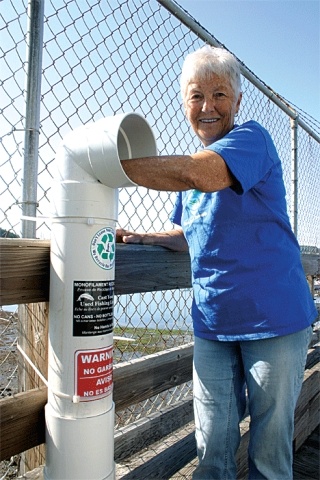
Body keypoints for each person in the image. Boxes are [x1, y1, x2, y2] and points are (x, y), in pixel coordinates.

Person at [116, 45, 317, 479]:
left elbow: (202, 174)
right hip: (213, 322)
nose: (207, 106)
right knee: (211, 446)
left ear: (238, 101)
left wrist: (107, 163)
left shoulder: (251, 140)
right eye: (195, 95)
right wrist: (142, 236)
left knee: (268, 451)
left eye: (219, 94)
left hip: (275, 320)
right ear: (184, 105)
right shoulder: (189, 175)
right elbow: (189, 234)